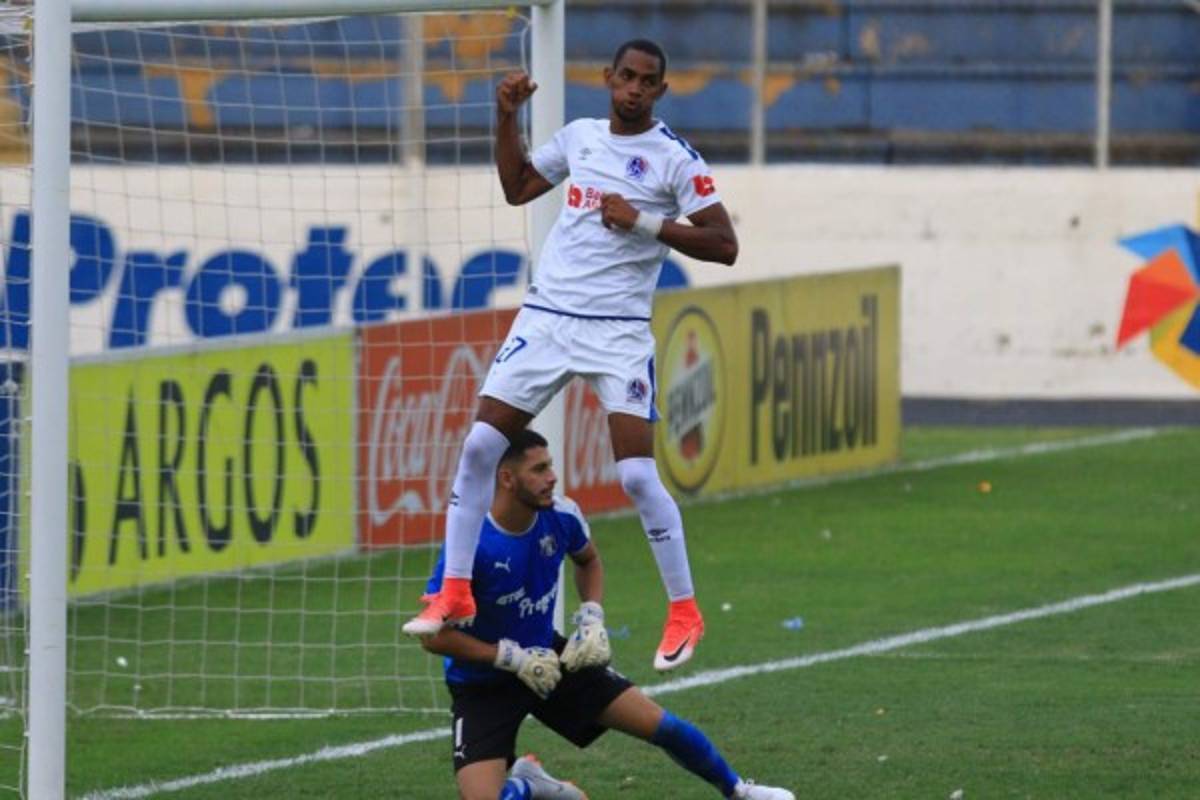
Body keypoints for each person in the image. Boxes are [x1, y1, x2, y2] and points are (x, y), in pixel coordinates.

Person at [404, 38, 739, 673]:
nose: (634, 89)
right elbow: (519, 185)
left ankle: (685, 609)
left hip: (617, 332)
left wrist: (642, 222)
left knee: (637, 476)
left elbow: (725, 245)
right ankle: (452, 589)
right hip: (549, 318)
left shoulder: (674, 160)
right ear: (608, 78)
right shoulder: (581, 137)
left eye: (647, 82)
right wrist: (505, 117)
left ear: (661, 92)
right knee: (478, 446)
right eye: (626, 77)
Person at [417, 430, 793, 800]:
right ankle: (529, 785)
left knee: (662, 726)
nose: (552, 477)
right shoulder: (471, 542)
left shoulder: (561, 515)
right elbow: (434, 635)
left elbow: (589, 560)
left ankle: (740, 791)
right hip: (483, 683)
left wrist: (592, 615)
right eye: (540, 469)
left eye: (551, 466)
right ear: (507, 478)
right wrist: (509, 658)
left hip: (552, 659)